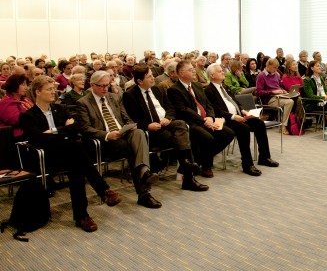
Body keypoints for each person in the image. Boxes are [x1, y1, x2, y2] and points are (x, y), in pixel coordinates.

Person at [20, 76, 121, 232]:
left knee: (76, 163)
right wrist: (62, 130)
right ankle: (103, 192)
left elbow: (77, 128)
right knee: (75, 148)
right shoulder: (28, 116)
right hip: (46, 158)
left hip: (68, 155)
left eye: (54, 89)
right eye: (49, 89)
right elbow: (38, 139)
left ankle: (83, 215)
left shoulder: (61, 108)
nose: (54, 92)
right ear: (37, 92)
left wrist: (53, 132)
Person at [75, 70, 162, 209]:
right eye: (101, 86)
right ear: (92, 85)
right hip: (105, 140)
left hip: (122, 133)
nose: (105, 89)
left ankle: (144, 172)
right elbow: (85, 129)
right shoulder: (83, 103)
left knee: (139, 132)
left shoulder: (114, 97)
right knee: (132, 149)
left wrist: (130, 126)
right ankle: (144, 190)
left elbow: (126, 118)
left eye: (107, 85)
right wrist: (107, 135)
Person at [123, 64, 207, 191]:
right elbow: (131, 119)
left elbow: (170, 108)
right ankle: (187, 173)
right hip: (150, 130)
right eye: (150, 76)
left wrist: (168, 118)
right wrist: (148, 126)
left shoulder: (158, 89)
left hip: (165, 123)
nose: (153, 78)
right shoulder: (130, 95)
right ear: (140, 81)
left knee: (181, 124)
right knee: (176, 137)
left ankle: (183, 164)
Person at [204, 64, 279, 175]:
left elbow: (235, 102)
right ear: (212, 75)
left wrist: (243, 111)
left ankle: (264, 157)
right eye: (220, 71)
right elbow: (216, 110)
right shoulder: (208, 90)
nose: (223, 72)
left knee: (259, 124)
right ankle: (247, 164)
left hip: (238, 115)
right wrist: (233, 117)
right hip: (226, 119)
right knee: (243, 129)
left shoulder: (225, 87)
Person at [167, 60, 235, 178]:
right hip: (192, 123)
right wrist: (204, 121)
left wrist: (210, 117)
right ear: (181, 73)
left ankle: (199, 160)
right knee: (208, 138)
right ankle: (206, 166)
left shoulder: (197, 85)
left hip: (206, 120)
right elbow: (184, 110)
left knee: (228, 133)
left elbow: (208, 104)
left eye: (193, 69)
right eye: (190, 70)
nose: (194, 71)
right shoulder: (174, 90)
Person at [255, 58, 294, 135]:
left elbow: (279, 86)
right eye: (274, 67)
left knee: (294, 99)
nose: (276, 69)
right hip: (269, 99)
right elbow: (259, 93)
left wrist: (283, 90)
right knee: (290, 102)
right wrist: (272, 91)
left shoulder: (276, 74)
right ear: (268, 65)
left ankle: (293, 125)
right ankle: (283, 126)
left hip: (279, 96)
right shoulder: (261, 76)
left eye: (277, 67)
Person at [0, 74, 33, 139]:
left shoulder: (25, 99)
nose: (26, 87)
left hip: (30, 130)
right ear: (14, 85)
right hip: (18, 136)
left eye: (26, 85)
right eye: (23, 84)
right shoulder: (6, 102)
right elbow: (15, 121)